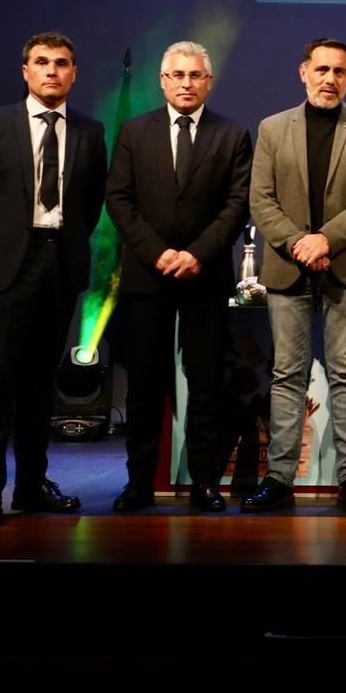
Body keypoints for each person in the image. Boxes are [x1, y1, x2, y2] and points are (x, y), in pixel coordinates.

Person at [0, 32, 107, 527]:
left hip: (59, 265)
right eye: (41, 62)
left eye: (62, 63)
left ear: (74, 73)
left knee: (42, 389)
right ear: (25, 71)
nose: (51, 71)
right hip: (6, 269)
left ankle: (31, 487)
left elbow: (92, 203)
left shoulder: (91, 131)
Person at [105, 41, 252, 513]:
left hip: (204, 278)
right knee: (145, 385)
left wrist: (197, 255)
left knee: (207, 384)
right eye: (177, 75)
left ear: (208, 82)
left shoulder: (231, 134)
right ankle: (139, 484)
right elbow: (119, 200)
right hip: (146, 277)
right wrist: (157, 253)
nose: (186, 83)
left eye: (195, 75)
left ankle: (205, 482)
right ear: (163, 80)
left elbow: (237, 204)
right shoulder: (133, 131)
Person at [243, 38, 346, 514]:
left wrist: (324, 239)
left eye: (340, 71)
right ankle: (280, 478)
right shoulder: (272, 128)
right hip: (289, 269)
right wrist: (299, 244)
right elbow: (261, 199)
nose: (330, 79)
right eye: (322, 69)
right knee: (287, 376)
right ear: (303, 72)